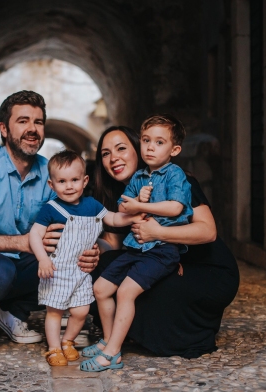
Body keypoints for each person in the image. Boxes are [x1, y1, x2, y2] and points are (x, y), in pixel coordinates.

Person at [0, 91, 99, 355]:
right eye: (23, 121)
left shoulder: (49, 173)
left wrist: (91, 249)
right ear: (4, 128)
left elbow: (69, 223)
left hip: (16, 260)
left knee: (61, 257)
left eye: (38, 122)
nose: (32, 129)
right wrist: (22, 242)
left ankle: (11, 311)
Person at [87, 121, 240, 360]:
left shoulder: (177, 181)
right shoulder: (120, 195)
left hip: (204, 267)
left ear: (139, 149)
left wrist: (158, 233)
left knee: (143, 290)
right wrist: (95, 250)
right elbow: (115, 243)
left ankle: (176, 333)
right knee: (105, 270)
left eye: (121, 148)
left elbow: (207, 231)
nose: (113, 158)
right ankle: (119, 335)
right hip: (159, 258)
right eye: (106, 153)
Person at [81, 114, 193, 371]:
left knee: (125, 292)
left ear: (174, 150)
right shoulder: (140, 176)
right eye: (146, 140)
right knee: (100, 288)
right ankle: (108, 339)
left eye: (159, 142)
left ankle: (112, 353)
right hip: (137, 248)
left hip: (161, 251)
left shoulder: (176, 175)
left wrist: (142, 204)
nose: (151, 147)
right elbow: (123, 205)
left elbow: (175, 208)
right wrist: (135, 199)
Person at [29, 150, 144, 366]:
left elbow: (113, 218)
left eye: (74, 180)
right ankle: (54, 348)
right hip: (57, 271)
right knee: (54, 312)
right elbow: (35, 234)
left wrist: (134, 214)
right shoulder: (50, 209)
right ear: (52, 185)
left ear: (85, 180)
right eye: (62, 181)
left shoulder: (92, 205)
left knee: (81, 311)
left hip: (81, 272)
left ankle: (68, 341)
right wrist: (43, 259)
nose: (69, 186)